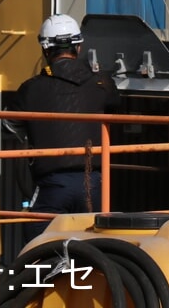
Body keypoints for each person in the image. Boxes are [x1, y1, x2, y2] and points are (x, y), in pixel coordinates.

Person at [14, 14, 120, 239]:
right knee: (98, 247)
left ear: (45, 50)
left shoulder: (30, 89)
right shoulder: (102, 85)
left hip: (53, 184)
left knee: (39, 245)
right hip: (95, 183)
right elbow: (116, 105)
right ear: (79, 47)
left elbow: (12, 126)